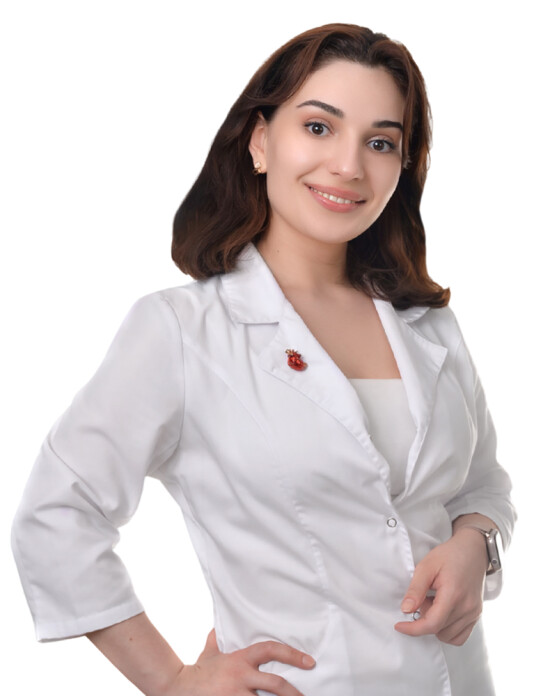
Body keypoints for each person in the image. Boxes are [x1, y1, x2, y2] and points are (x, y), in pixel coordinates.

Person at [11, 22, 516, 696]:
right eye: (318, 127)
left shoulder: (430, 326)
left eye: (380, 142)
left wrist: (477, 540)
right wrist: (171, 682)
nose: (348, 166)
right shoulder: (181, 332)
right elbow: (56, 513)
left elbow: (482, 486)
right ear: (258, 141)